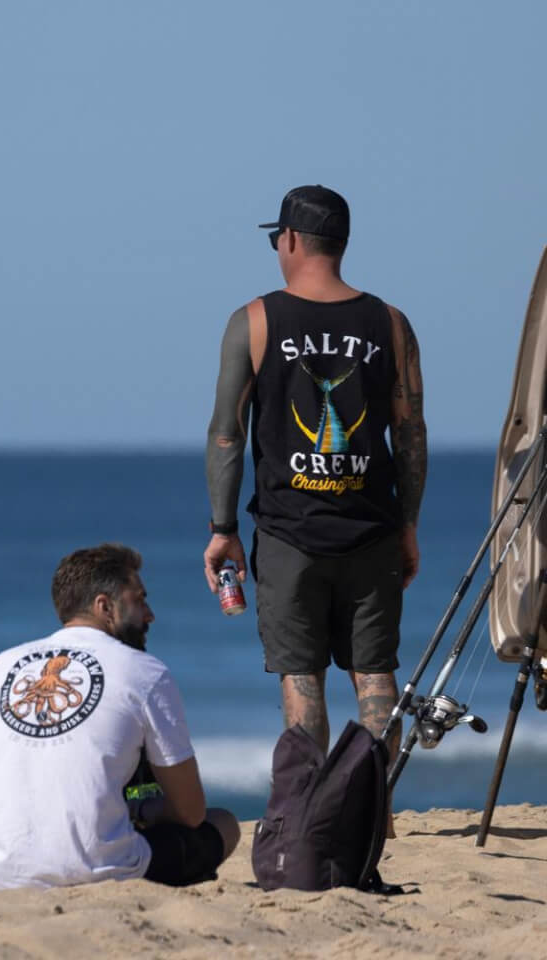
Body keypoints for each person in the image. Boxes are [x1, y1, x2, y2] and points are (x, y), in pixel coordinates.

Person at [202, 185, 427, 790]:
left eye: (278, 236)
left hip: (288, 534)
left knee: (301, 678)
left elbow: (227, 435)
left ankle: (307, 806)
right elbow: (410, 434)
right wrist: (408, 524)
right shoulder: (391, 323)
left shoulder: (253, 320)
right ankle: (372, 808)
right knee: (375, 676)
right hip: (372, 528)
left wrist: (222, 530)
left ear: (293, 239)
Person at [0, 543, 239, 890]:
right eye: (140, 599)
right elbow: (190, 811)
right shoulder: (146, 672)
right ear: (106, 607)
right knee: (223, 824)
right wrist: (141, 812)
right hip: (105, 873)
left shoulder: (0, 666)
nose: (150, 614)